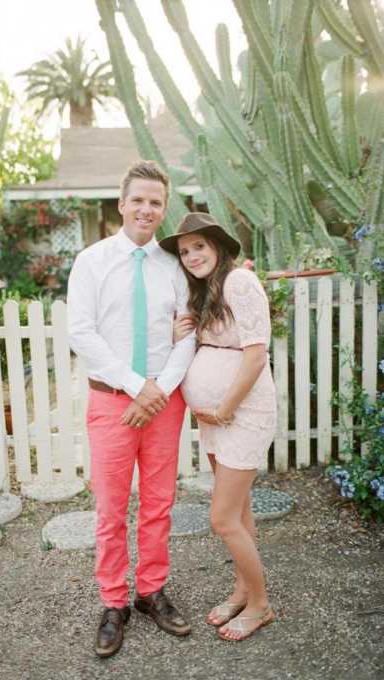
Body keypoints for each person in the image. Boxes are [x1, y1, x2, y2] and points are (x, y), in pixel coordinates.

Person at [67, 161, 195, 658]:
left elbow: (189, 331)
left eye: (156, 202)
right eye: (138, 199)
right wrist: (135, 386)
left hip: (164, 403)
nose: (146, 209)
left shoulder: (174, 265)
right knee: (111, 508)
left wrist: (157, 390)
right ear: (121, 203)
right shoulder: (92, 261)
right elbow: (82, 332)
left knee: (159, 504)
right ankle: (113, 601)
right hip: (113, 401)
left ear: (164, 209)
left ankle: (151, 592)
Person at [160, 212, 277, 642]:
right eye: (184, 251)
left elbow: (254, 355)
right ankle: (243, 591)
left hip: (242, 414)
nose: (190, 256)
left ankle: (261, 604)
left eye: (199, 247)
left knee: (222, 518)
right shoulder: (207, 292)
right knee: (240, 510)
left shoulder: (239, 283)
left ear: (219, 247)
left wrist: (224, 406)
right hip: (216, 417)